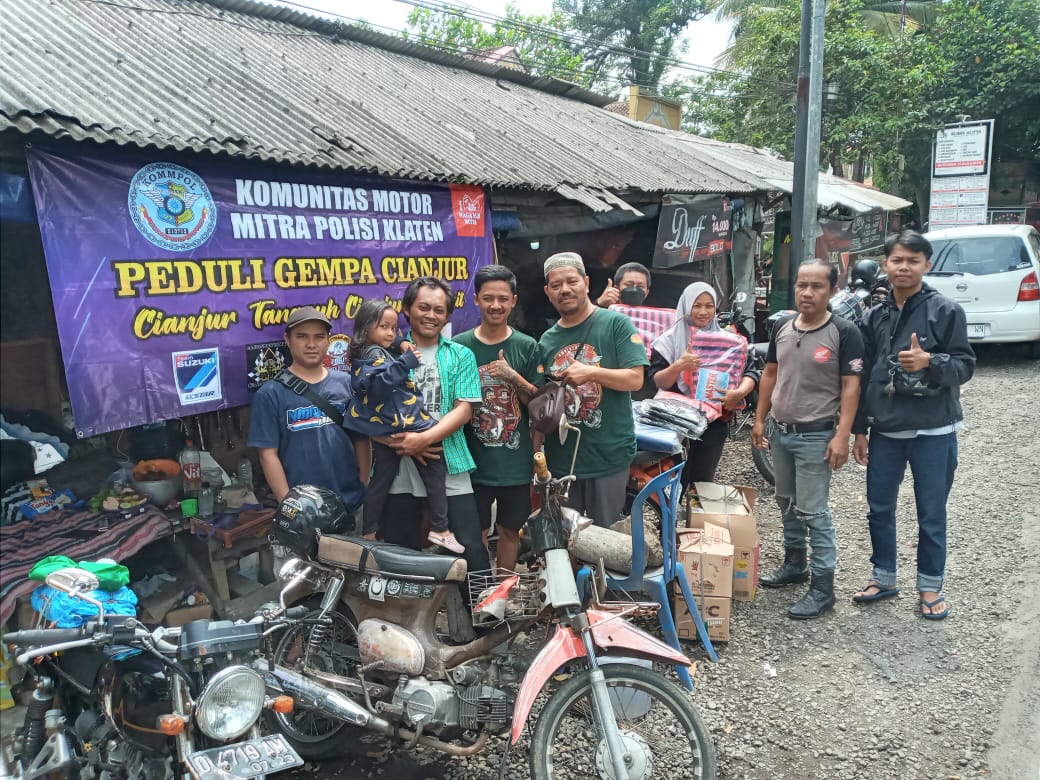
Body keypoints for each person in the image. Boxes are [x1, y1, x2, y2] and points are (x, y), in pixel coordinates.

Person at [851, 230, 975, 620]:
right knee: (879, 508)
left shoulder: (945, 310)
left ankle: (929, 586)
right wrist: (859, 428)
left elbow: (965, 366)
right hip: (886, 430)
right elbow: (864, 374)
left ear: (927, 265)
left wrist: (930, 363)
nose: (903, 267)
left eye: (913, 260)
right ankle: (884, 576)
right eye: (897, 260)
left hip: (933, 431)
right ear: (885, 265)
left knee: (931, 512)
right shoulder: (874, 316)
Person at [751, 260, 864, 619]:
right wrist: (759, 419)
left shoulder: (844, 332)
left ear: (832, 291)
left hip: (817, 435)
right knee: (785, 500)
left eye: (817, 286)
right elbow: (770, 373)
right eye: (802, 285)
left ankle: (822, 588)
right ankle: (795, 563)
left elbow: (851, 386)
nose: (807, 293)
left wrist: (842, 435)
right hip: (781, 432)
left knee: (814, 511)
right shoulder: (783, 327)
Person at [379, 277, 491, 578]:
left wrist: (424, 439)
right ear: (406, 310)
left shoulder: (460, 354)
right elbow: (367, 407)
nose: (431, 315)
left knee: (470, 548)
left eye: (439, 310)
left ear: (448, 316)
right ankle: (407, 621)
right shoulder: (385, 355)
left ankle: (483, 619)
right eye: (423, 307)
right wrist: (402, 443)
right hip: (398, 467)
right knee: (400, 553)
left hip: (450, 460)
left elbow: (464, 409)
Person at [538, 252, 647, 527]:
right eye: (556, 285)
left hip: (607, 457)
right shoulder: (546, 341)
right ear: (547, 292)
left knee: (604, 541)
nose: (565, 289)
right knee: (566, 541)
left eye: (572, 281)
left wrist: (591, 372)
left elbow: (636, 378)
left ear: (586, 283)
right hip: (563, 462)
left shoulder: (615, 324)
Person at [346, 300, 462, 553]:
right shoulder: (375, 355)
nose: (391, 333)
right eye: (384, 327)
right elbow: (378, 387)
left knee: (381, 480)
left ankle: (369, 531)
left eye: (394, 327)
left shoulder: (371, 350)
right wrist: (405, 362)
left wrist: (401, 344)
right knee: (434, 467)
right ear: (366, 329)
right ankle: (441, 528)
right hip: (401, 421)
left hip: (386, 426)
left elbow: (392, 344)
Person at [454, 265, 542, 573]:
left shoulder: (527, 346)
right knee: (474, 534)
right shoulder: (460, 346)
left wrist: (513, 377)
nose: (495, 305)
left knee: (509, 531)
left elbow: (538, 403)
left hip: (514, 464)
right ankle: (477, 594)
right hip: (472, 461)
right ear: (475, 299)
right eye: (488, 298)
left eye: (502, 299)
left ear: (513, 301)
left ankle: (503, 593)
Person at [248, 305, 369, 514]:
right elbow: (268, 455)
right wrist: (290, 507)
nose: (311, 344)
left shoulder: (347, 384)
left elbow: (361, 439)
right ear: (288, 340)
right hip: (304, 511)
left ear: (328, 340)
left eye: (319, 337)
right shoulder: (270, 394)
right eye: (302, 337)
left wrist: (364, 485)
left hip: (350, 503)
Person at [649, 282, 759, 486]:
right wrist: (679, 365)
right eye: (697, 305)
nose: (703, 312)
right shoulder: (667, 342)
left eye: (709, 306)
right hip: (675, 422)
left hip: (713, 424)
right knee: (671, 483)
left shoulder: (731, 342)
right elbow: (658, 380)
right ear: (685, 306)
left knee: (702, 484)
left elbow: (750, 372)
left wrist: (739, 393)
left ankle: (697, 519)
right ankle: (668, 518)